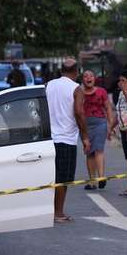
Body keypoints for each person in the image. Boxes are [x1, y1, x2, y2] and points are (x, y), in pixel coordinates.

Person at [45, 58, 90, 223]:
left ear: (61, 70)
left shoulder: (49, 85)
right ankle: (58, 213)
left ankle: (50, 210)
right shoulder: (76, 89)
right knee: (63, 179)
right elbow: (79, 112)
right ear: (76, 72)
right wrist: (85, 137)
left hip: (49, 139)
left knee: (52, 177)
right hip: (66, 139)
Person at [81, 71, 115, 189]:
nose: (88, 78)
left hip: (100, 123)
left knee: (98, 149)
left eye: (91, 76)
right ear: (82, 80)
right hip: (85, 126)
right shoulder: (79, 93)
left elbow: (108, 108)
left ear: (94, 78)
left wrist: (110, 125)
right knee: (89, 151)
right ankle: (92, 181)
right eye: (85, 76)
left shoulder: (102, 91)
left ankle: (101, 177)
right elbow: (75, 110)